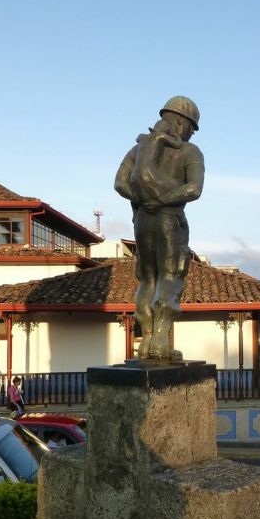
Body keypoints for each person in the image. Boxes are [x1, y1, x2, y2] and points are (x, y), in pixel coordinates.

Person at [114, 96, 205, 360]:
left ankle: (145, 342)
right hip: (170, 219)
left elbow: (120, 183)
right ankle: (161, 340)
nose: (190, 133)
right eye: (191, 126)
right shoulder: (190, 152)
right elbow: (194, 189)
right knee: (170, 275)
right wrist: (163, 199)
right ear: (181, 120)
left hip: (143, 219)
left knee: (147, 278)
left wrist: (144, 200)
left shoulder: (138, 148)